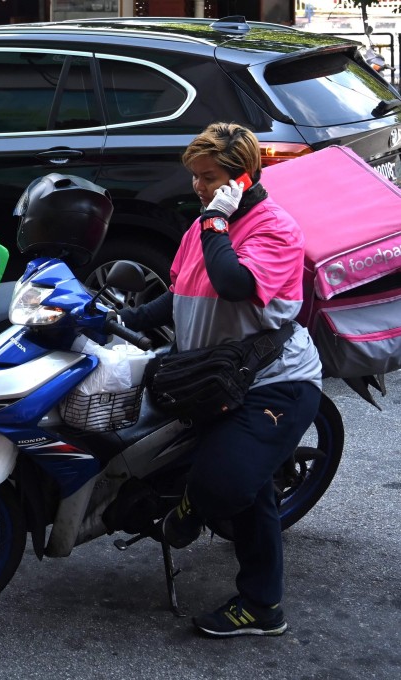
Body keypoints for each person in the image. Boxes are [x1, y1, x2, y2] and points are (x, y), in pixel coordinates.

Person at [119, 122, 323, 637]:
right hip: (213, 380)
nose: (197, 187)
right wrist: (128, 319)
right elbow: (185, 287)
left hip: (275, 382)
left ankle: (193, 510)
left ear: (242, 178)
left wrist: (215, 224)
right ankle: (262, 606)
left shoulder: (274, 228)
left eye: (208, 178)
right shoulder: (202, 228)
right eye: (195, 177)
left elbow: (234, 283)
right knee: (251, 493)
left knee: (223, 484)